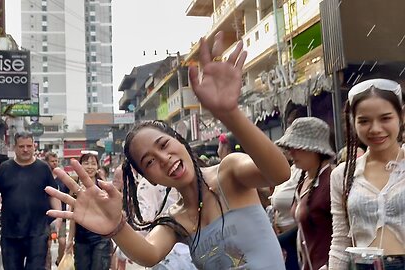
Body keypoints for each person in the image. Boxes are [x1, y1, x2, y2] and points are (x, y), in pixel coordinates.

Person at [46, 31, 290, 269]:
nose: (163, 159)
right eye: (149, 162)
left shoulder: (230, 171)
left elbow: (279, 173)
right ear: (149, 178)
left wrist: (230, 113)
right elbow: (149, 254)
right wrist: (116, 226)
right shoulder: (176, 219)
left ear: (180, 141)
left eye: (163, 145)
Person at [329, 79, 405, 269]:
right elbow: (340, 241)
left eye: (385, 118)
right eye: (364, 121)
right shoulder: (343, 174)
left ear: (401, 116)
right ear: (353, 122)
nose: (375, 129)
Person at [0, 132, 62, 270]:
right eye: (21, 146)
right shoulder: (4, 168)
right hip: (10, 233)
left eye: (29, 146)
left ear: (34, 146)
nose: (26, 149)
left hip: (38, 232)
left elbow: (53, 194)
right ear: (14, 147)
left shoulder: (43, 168)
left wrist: (58, 216)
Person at [275, 117, 335, 270]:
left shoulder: (332, 181)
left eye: (298, 147)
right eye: (290, 147)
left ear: (316, 149)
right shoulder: (304, 179)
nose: (291, 152)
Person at [66, 152, 112, 270]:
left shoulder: (104, 187)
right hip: (81, 239)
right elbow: (73, 216)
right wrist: (70, 239)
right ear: (80, 166)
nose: (90, 167)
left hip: (101, 238)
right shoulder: (75, 188)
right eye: (86, 163)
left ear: (98, 167)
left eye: (93, 163)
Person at [44, 151, 69, 267]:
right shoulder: (43, 176)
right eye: (52, 161)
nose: (54, 163)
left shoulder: (62, 177)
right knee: (46, 243)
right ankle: (47, 265)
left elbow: (70, 193)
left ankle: (59, 260)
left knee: (62, 241)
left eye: (56, 161)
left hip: (61, 214)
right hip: (47, 215)